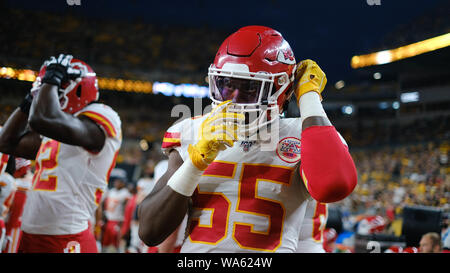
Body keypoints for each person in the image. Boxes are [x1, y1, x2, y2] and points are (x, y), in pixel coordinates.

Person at [138, 26, 357, 252]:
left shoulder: (302, 134)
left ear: (284, 89)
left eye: (250, 88)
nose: (233, 100)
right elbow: (150, 232)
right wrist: (194, 165)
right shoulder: (192, 131)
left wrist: (309, 97)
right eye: (225, 85)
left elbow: (334, 186)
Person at [0, 54, 122, 253]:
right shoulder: (55, 130)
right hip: (31, 234)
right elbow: (6, 142)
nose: (47, 93)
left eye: (55, 87)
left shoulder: (102, 116)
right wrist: (29, 99)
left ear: (79, 87)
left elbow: (41, 119)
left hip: (67, 237)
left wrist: (52, 78)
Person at [101, 172, 131, 252]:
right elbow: (104, 204)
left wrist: (123, 221)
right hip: (108, 219)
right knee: (104, 242)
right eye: (116, 181)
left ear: (123, 183)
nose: (116, 183)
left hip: (118, 221)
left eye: (119, 181)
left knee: (116, 243)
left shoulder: (126, 193)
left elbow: (127, 208)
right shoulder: (111, 191)